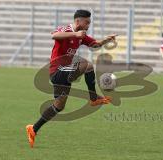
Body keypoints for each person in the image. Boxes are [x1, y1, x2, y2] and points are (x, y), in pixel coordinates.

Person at [26, 9, 117, 148]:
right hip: (57, 70)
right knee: (87, 65)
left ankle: (33, 128)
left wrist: (107, 39)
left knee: (59, 106)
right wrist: (75, 33)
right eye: (86, 22)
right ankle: (93, 98)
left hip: (65, 73)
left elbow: (95, 45)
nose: (88, 26)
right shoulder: (68, 29)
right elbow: (54, 35)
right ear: (78, 21)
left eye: (89, 23)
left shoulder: (81, 35)